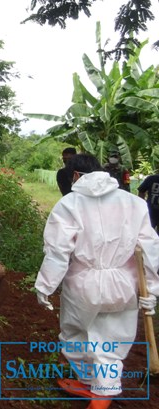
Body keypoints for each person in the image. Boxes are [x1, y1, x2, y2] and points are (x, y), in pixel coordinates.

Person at [35, 153, 159, 409]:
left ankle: (100, 399)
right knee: (112, 342)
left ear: (76, 176)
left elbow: (58, 252)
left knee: (75, 335)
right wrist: (152, 290)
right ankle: (91, 383)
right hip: (123, 285)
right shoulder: (134, 203)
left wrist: (45, 286)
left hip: (83, 285)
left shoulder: (70, 204)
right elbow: (150, 249)